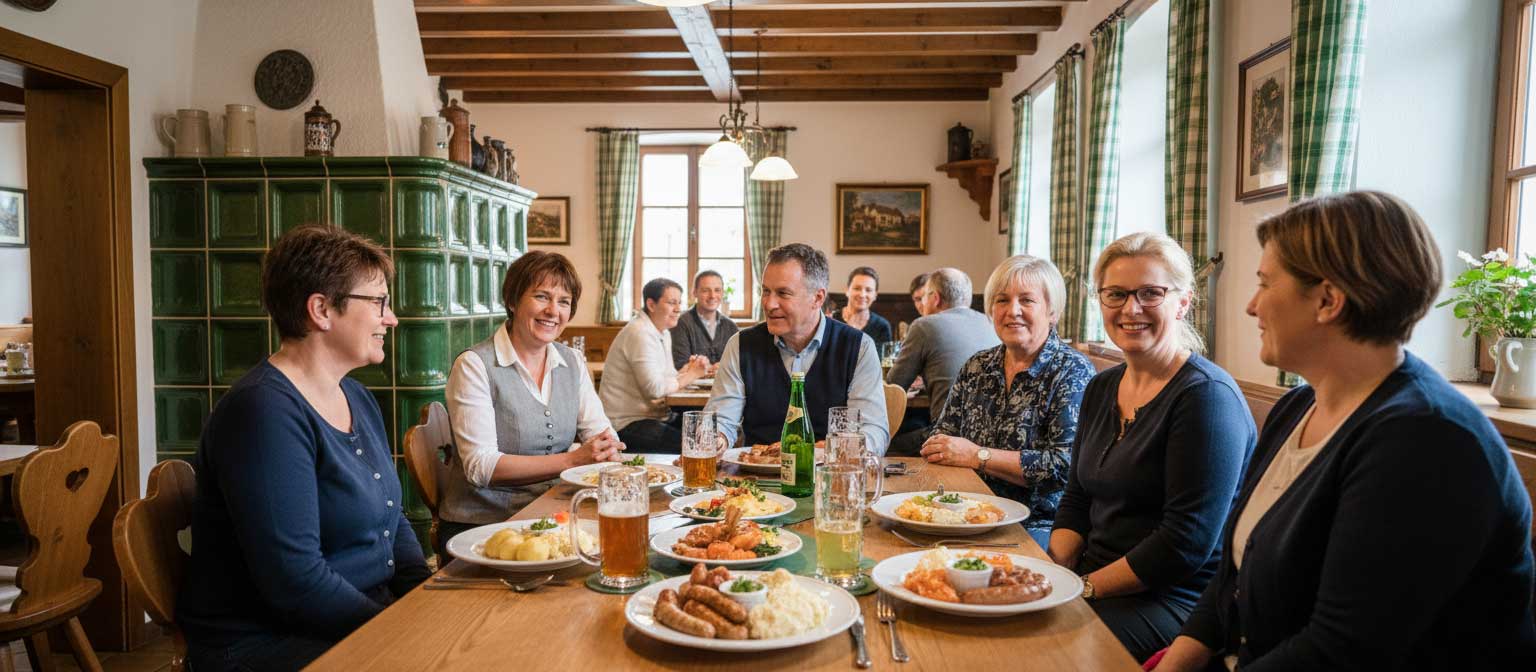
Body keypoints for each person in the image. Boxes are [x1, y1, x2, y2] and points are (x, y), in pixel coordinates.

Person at [1153, 192, 1536, 672]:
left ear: (1329, 300)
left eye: (1265, 283)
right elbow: (1230, 580)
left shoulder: (1428, 442)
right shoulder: (1298, 405)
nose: (1252, 306)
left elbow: (1341, 654)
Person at [178, 225, 430, 671]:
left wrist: (423, 598)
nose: (390, 318)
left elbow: (395, 521)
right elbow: (296, 584)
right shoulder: (262, 413)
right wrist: (398, 632)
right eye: (378, 303)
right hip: (271, 644)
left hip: (353, 618)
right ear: (321, 310)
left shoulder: (355, 396)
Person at [1048, 232, 1256, 662]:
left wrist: (1079, 590)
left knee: (1038, 648)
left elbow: (1184, 545)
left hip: (1176, 602)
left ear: (1183, 302)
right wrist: (1051, 571)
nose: (1131, 309)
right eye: (1116, 294)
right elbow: (1076, 497)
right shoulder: (1102, 386)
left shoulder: (1206, 398)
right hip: (1095, 578)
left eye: (1150, 293)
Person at [441, 251, 625, 544]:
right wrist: (572, 459)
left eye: (564, 302)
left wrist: (606, 448)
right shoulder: (475, 365)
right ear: (513, 301)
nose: (553, 311)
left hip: (554, 516)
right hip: (486, 527)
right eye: (542, 296)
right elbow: (481, 467)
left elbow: (602, 434)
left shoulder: (572, 361)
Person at [919, 256, 1095, 545]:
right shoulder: (977, 366)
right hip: (965, 509)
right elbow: (942, 438)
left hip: (1038, 522)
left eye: (1027, 300)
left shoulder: (1072, 371)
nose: (1012, 311)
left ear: (1052, 312)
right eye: (1002, 300)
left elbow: (1064, 467)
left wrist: (978, 456)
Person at [706, 243, 889, 453]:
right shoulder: (740, 344)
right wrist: (715, 441)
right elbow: (721, 420)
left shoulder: (859, 347)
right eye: (766, 291)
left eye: (783, 293)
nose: (769, 304)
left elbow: (874, 431)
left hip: (829, 477)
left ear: (817, 298)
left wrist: (831, 449)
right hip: (754, 480)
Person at [887, 267, 1000, 456]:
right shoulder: (991, 323)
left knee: (883, 444)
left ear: (935, 298)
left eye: (924, 297)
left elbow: (894, 386)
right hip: (992, 439)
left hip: (949, 436)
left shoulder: (924, 325)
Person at [601, 277, 710, 453]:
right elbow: (655, 388)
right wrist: (692, 375)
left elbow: (666, 376)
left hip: (655, 417)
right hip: (626, 424)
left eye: (679, 303)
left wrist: (687, 370)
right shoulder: (640, 333)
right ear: (651, 305)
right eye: (671, 303)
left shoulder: (662, 331)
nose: (678, 309)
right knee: (696, 445)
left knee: (705, 431)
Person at [671, 270, 740, 368]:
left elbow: (740, 361)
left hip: (725, 383)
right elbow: (680, 364)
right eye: (705, 290)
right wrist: (714, 369)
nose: (712, 296)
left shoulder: (730, 326)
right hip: (693, 383)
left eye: (717, 290)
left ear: (722, 293)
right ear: (694, 292)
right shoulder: (681, 323)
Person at [831, 266, 893, 349]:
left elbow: (882, 359)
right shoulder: (831, 319)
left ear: (875, 295)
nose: (862, 295)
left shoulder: (882, 326)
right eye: (857, 288)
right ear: (847, 290)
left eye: (868, 290)